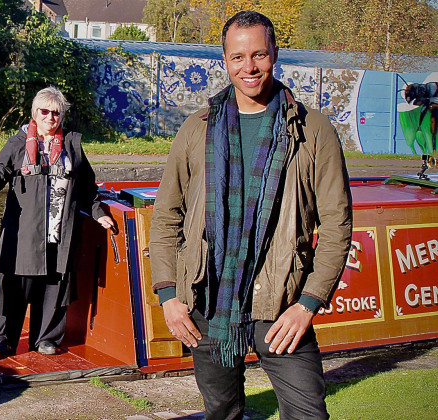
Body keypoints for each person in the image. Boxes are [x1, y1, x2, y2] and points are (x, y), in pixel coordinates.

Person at [149, 11, 352, 420]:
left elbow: (337, 226)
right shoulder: (196, 129)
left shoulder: (312, 130)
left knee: (308, 413)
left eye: (259, 54)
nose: (250, 67)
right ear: (225, 60)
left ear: (275, 53)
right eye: (238, 57)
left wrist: (308, 304)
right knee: (222, 412)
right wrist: (169, 296)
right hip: (209, 300)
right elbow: (167, 216)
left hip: (281, 303)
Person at [0, 86, 115, 356]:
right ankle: (3, 338)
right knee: (14, 288)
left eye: (56, 112)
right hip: (24, 233)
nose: (50, 117)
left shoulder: (72, 144)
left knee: (55, 288)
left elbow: (87, 187)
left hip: (60, 231)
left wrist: (99, 213)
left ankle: (46, 339)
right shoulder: (18, 142)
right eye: (44, 111)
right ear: (35, 113)